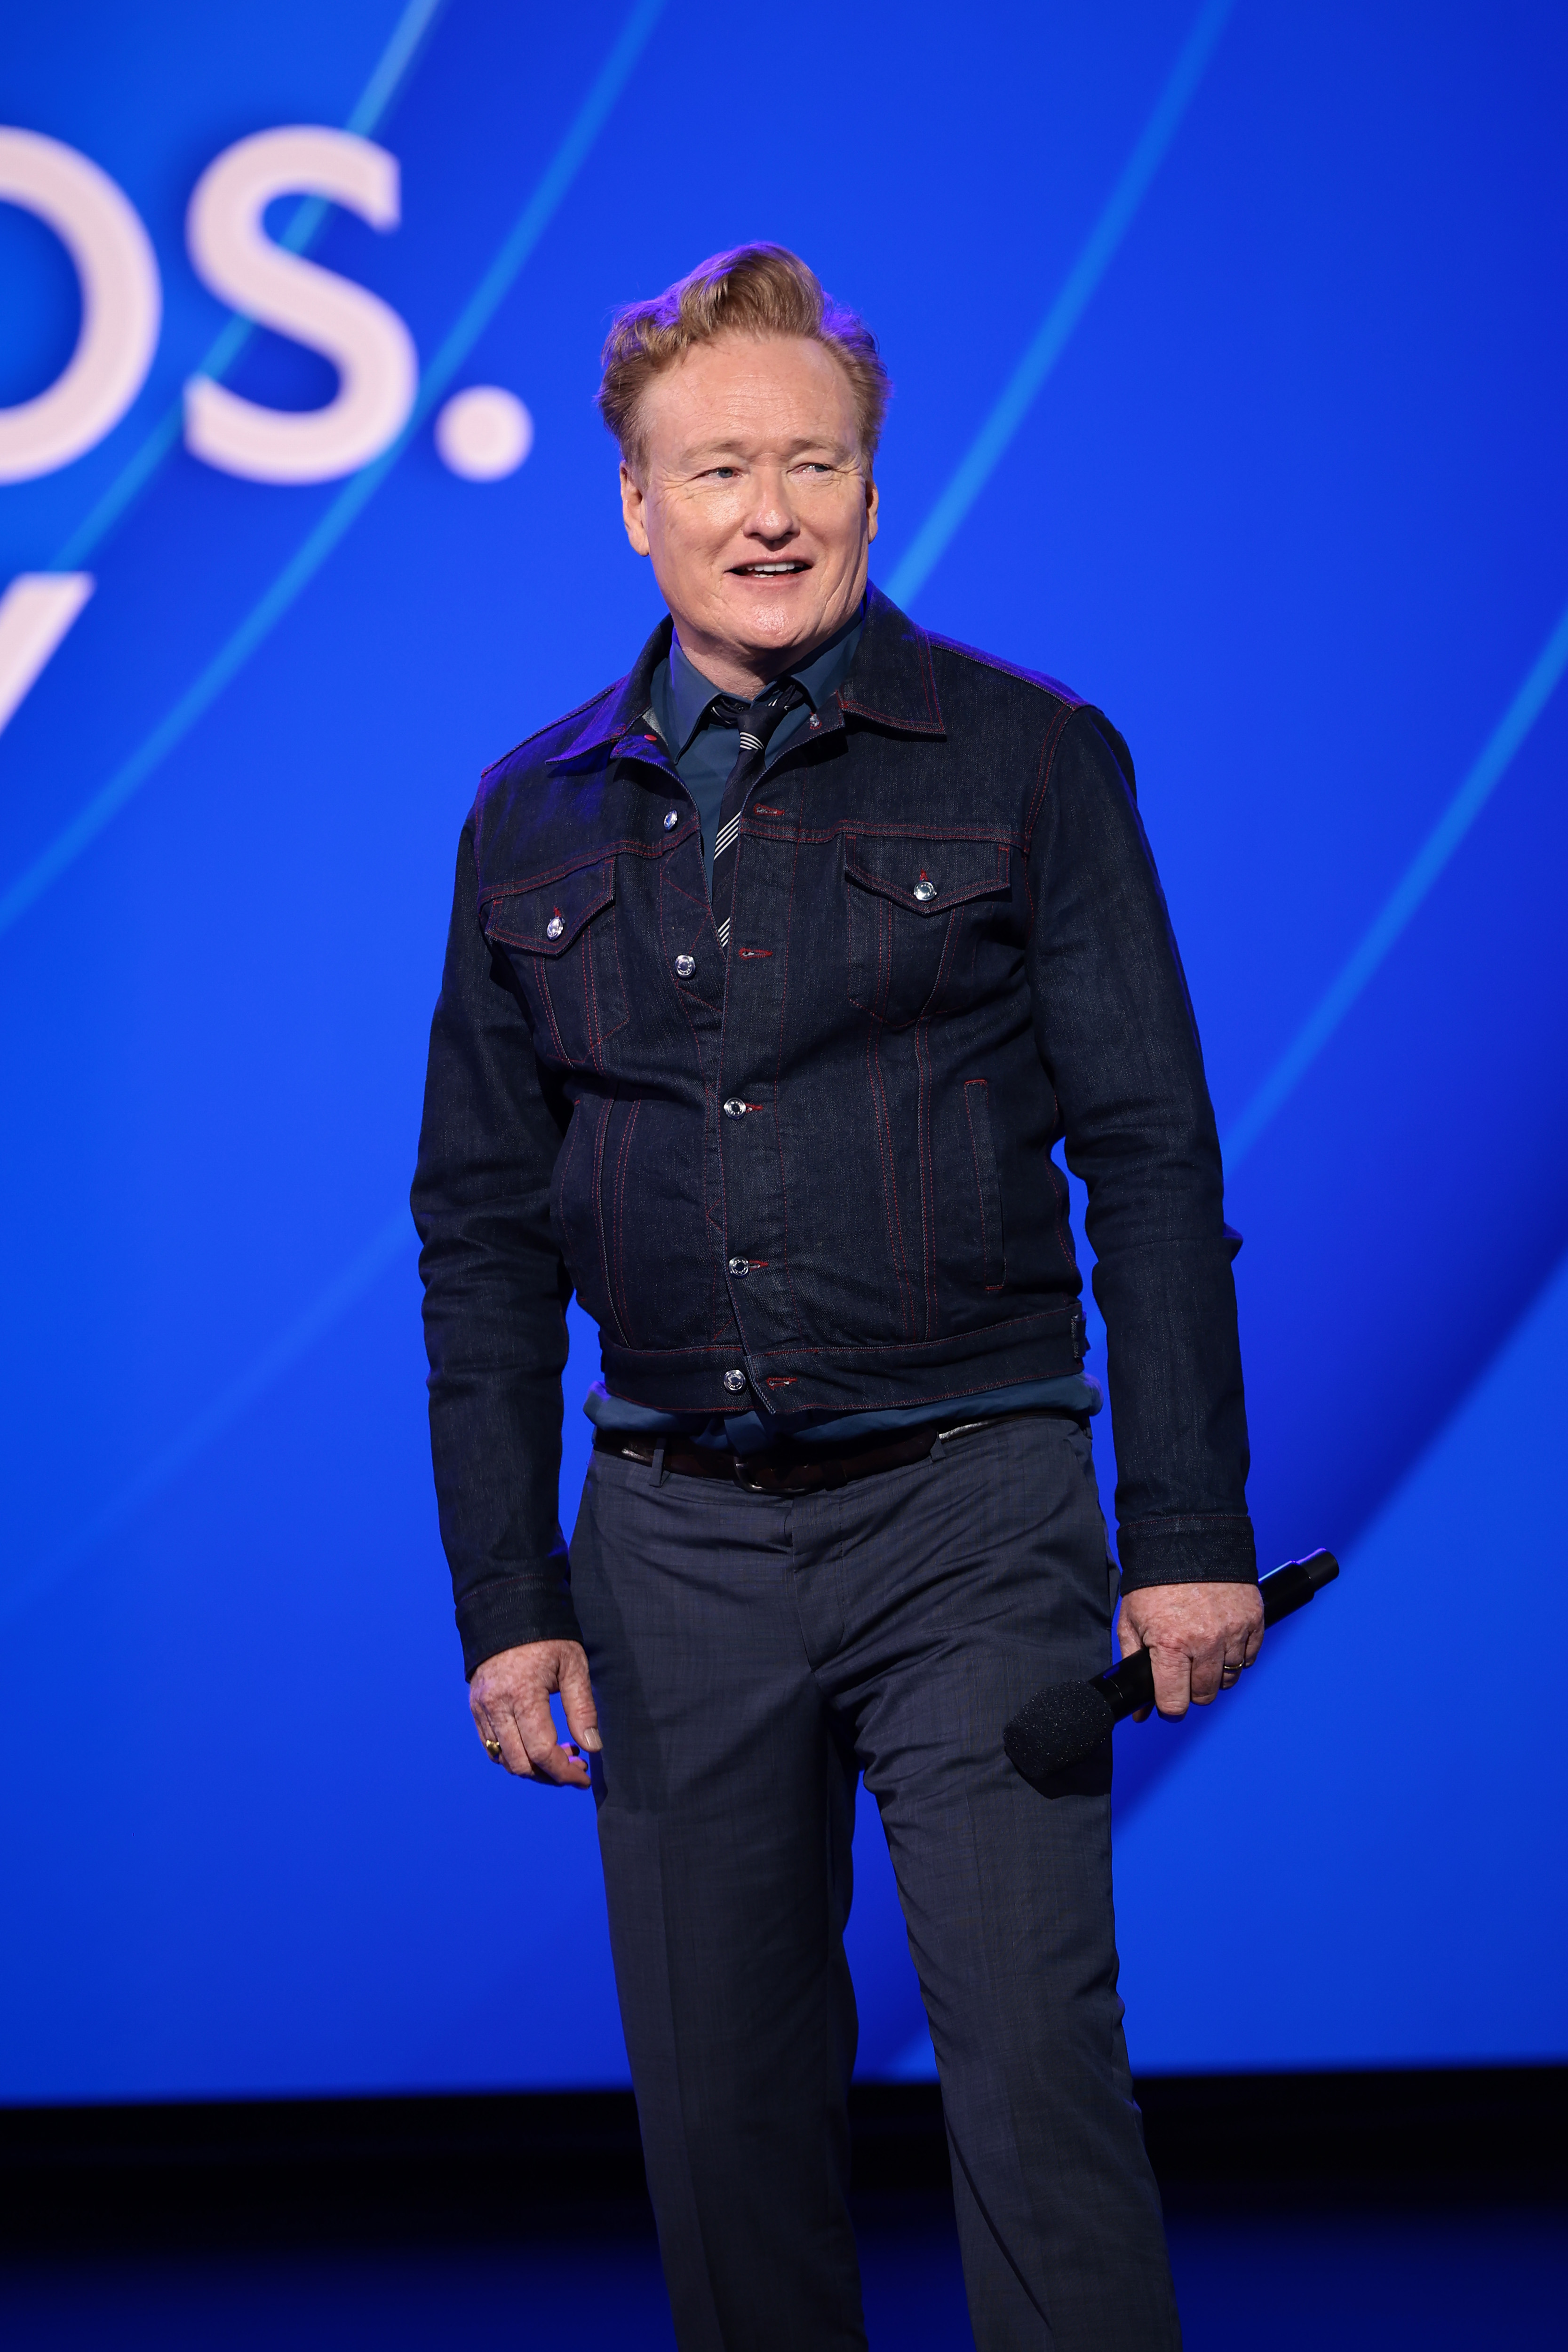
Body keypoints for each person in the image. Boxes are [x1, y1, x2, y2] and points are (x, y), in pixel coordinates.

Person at [412, 243, 1261, 2351]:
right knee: (724, 2130)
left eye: (812, 462)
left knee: (1037, 2089)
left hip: (973, 1510)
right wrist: (511, 1590)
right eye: (716, 470)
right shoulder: (527, 813)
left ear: (875, 489)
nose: (767, 509)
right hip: (672, 1542)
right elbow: (482, 1221)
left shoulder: (1031, 760)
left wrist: (1185, 1540)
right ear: (635, 501)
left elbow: (1151, 1152)